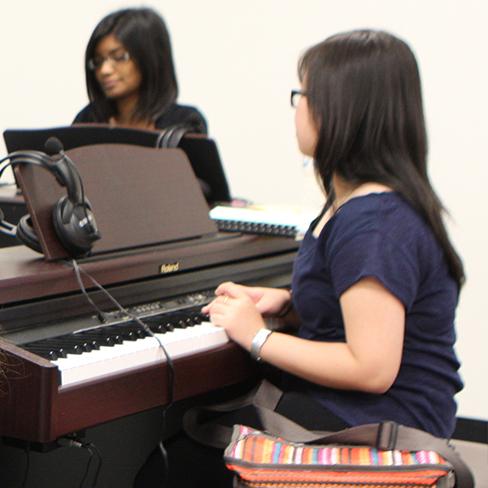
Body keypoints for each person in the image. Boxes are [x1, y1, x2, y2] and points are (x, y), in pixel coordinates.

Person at [136, 29, 465, 488]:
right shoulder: (360, 202)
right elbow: (354, 304)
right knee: (200, 432)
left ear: (341, 110)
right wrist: (289, 302)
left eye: (303, 94)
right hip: (364, 410)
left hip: (385, 426)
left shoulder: (373, 221)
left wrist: (255, 337)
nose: (298, 109)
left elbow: (371, 368)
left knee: (172, 469)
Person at [73, 8, 207, 133]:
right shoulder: (88, 120)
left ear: (150, 57)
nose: (104, 70)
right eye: (98, 61)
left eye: (119, 57)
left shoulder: (184, 122)